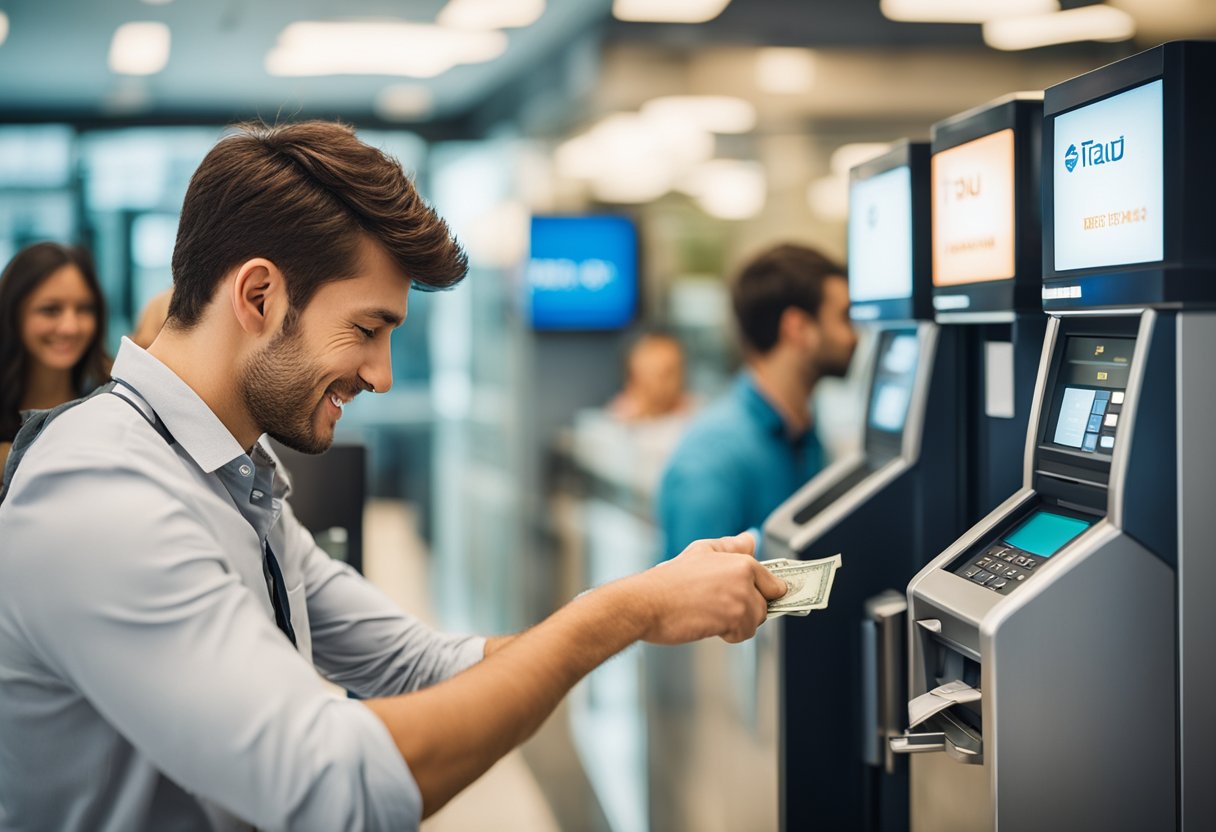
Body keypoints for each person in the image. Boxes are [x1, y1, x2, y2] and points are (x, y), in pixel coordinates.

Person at [0, 121, 787, 832]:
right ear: (260, 296)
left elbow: (418, 666)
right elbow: (333, 786)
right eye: (367, 329)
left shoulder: (234, 469)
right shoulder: (103, 492)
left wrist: (641, 606)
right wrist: (617, 615)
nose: (379, 375)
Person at [655, 243, 857, 559]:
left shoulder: (803, 430)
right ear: (798, 328)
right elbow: (687, 600)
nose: (855, 335)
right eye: (845, 318)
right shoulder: (711, 458)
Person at [0, 241, 112, 472]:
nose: (70, 327)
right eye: (50, 310)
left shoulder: (111, 405)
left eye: (84, 309)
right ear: (12, 314)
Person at [607, 328, 694, 422]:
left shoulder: (698, 418)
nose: (674, 381)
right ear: (633, 377)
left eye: (675, 370)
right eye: (663, 374)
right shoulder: (608, 426)